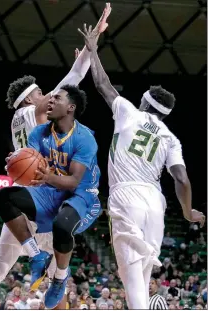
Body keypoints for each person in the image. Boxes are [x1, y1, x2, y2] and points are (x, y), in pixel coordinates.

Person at [0, 3, 111, 310]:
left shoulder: (17, 122)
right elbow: (72, 80)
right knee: (57, 281)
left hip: (24, 200)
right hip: (43, 200)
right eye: (41, 93)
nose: (47, 96)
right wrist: (92, 44)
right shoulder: (32, 111)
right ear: (32, 98)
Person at [78, 24, 206, 309]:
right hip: (155, 202)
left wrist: (93, 50)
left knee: (130, 274)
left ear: (144, 102)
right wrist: (187, 212)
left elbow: (101, 84)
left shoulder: (129, 113)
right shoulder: (172, 139)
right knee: (144, 272)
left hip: (127, 195)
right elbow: (182, 180)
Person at [0, 84, 101, 309]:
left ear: (70, 107)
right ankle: (36, 256)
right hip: (50, 190)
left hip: (81, 194)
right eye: (50, 99)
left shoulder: (85, 138)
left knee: (61, 225)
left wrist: (45, 177)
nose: (50, 101)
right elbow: (31, 165)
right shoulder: (39, 133)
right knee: (3, 196)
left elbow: (73, 181)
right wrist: (15, 163)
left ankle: (59, 279)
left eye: (57, 99)